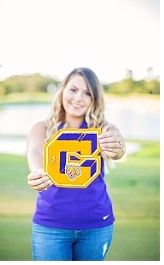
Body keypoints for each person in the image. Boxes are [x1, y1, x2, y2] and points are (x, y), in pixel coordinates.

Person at [25, 67, 126, 260]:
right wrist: (38, 173)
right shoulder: (42, 128)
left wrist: (118, 147)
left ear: (94, 99)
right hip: (50, 225)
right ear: (62, 90)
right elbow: (35, 152)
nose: (78, 98)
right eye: (73, 89)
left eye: (87, 93)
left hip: (97, 225)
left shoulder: (102, 129)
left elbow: (117, 150)